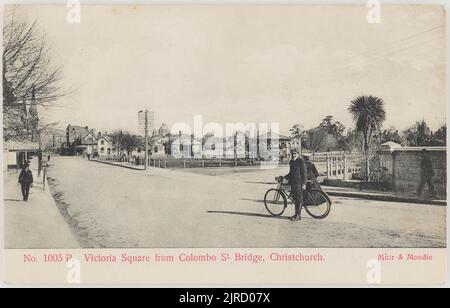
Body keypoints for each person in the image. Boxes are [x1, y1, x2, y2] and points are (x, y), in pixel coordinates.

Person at [284, 150, 307, 221]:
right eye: (292, 154)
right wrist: (284, 177)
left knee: (298, 199)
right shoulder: (291, 162)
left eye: (295, 154)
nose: (293, 155)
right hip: (293, 183)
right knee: (295, 199)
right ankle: (296, 214)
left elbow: (304, 173)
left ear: (298, 154)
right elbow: (291, 173)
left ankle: (298, 215)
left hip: (299, 182)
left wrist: (304, 183)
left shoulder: (301, 161)